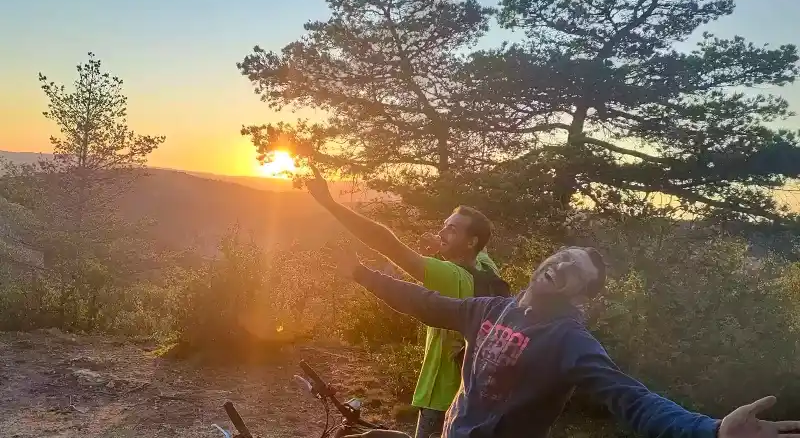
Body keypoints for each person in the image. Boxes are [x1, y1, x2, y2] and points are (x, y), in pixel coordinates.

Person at [331, 245, 800, 438]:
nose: (562, 265)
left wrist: (710, 430)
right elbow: (426, 302)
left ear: (580, 294)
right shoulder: (491, 309)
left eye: (576, 270)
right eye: (562, 256)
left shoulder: (569, 340)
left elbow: (631, 398)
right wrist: (361, 273)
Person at [305, 166, 507, 438]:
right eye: (444, 225)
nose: (442, 232)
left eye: (452, 229)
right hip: (474, 396)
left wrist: (330, 205)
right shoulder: (487, 269)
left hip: (442, 398)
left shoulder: (452, 276)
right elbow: (478, 248)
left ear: (471, 242)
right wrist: (446, 247)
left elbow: (386, 243)